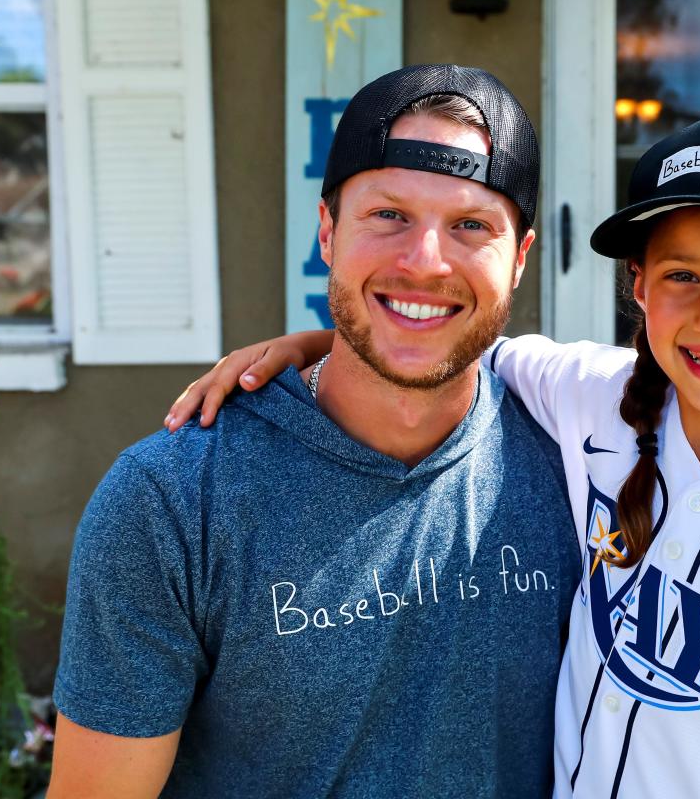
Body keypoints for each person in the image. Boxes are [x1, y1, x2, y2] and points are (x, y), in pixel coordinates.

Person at [170, 110, 700, 797]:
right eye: (683, 275)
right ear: (638, 286)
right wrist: (317, 343)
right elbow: (450, 335)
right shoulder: (595, 395)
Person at [50, 64, 582, 799]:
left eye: (471, 226)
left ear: (519, 260)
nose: (424, 261)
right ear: (327, 232)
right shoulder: (173, 500)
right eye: (388, 215)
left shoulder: (584, 466)